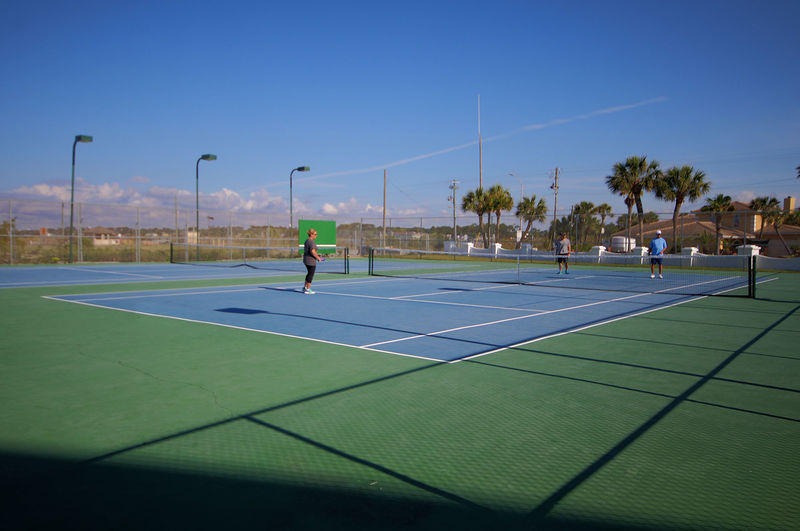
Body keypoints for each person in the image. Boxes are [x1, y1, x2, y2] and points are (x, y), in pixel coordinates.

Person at [302, 228, 325, 294]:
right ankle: (308, 289)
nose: (316, 235)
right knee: (310, 275)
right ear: (311, 234)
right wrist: (318, 258)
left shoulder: (307, 241)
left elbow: (312, 251)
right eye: (315, 234)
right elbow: (312, 251)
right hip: (310, 261)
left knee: (309, 274)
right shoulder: (311, 241)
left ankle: (305, 287)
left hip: (306, 260)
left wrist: (318, 257)